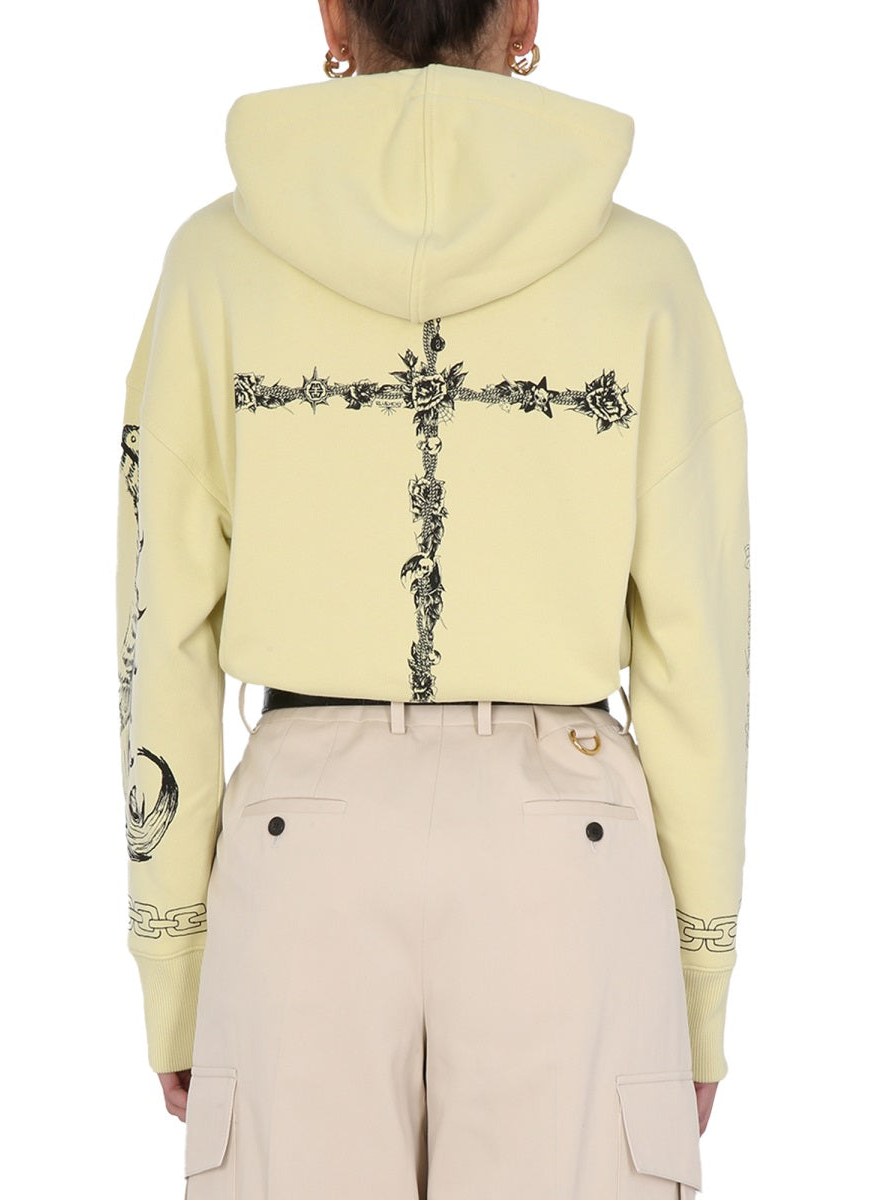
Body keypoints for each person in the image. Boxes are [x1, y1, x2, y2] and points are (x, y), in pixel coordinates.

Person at [115, 0, 751, 1195]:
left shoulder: (214, 265)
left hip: (302, 850)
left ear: (332, 15)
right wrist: (700, 986)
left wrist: (174, 959)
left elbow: (162, 630)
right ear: (525, 15)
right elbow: (697, 655)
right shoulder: (644, 278)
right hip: (567, 854)